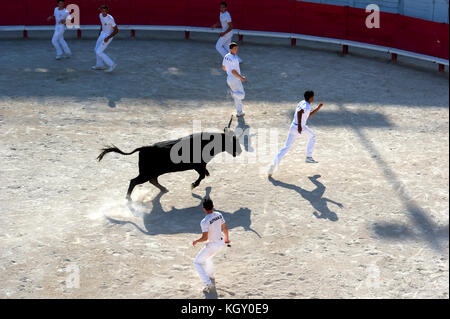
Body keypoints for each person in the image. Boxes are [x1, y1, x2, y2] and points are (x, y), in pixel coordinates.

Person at [268, 90, 324, 177]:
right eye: (313, 97)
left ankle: (273, 165)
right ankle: (309, 157)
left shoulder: (302, 102)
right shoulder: (307, 106)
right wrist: (299, 127)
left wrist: (318, 108)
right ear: (311, 98)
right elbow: (299, 113)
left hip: (292, 127)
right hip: (300, 128)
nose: (313, 98)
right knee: (312, 137)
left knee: (285, 147)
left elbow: (307, 116)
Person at [193, 198, 230, 293]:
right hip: (220, 243)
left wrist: (197, 240)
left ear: (203, 208)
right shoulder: (219, 214)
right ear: (213, 206)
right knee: (209, 257)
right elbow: (225, 228)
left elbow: (205, 238)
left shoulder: (204, 221)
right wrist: (227, 238)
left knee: (197, 262)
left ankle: (207, 283)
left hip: (212, 245)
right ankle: (211, 274)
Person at [222, 42, 247, 117]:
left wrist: (229, 73)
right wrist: (241, 77)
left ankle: (239, 112)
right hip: (235, 79)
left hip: (229, 78)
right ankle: (231, 93)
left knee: (237, 97)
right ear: (230, 49)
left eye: (237, 48)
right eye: (234, 48)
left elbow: (223, 67)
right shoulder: (235, 58)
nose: (236, 50)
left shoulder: (226, 56)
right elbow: (233, 71)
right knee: (242, 95)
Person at [91, 5, 119, 72]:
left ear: (107, 11)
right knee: (96, 49)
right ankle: (99, 65)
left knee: (99, 51)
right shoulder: (100, 15)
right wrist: (100, 33)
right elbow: (102, 24)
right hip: (102, 34)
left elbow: (116, 30)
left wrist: (108, 38)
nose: (104, 12)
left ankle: (112, 64)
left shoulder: (110, 19)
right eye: (102, 11)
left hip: (108, 36)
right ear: (100, 10)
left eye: (105, 11)